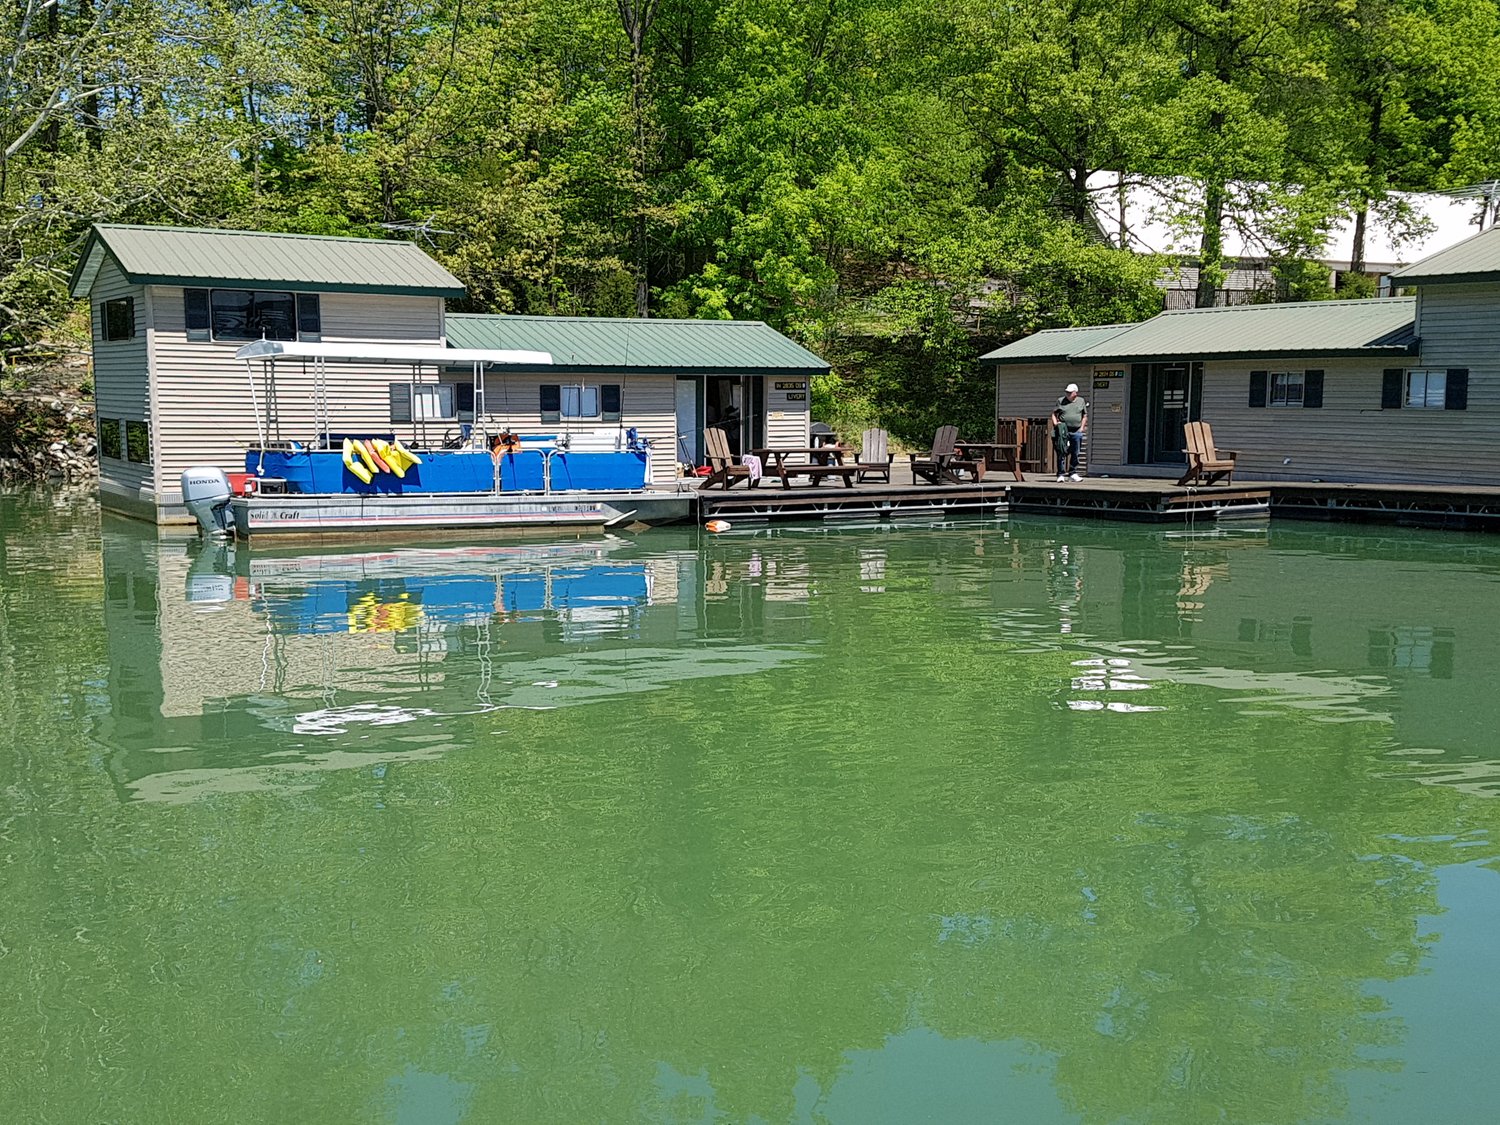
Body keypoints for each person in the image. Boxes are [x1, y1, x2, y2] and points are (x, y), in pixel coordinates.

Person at [1051, 382, 1088, 482]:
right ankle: (1061, 474)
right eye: (1067, 392)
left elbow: (1084, 415)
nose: (1067, 394)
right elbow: (1054, 414)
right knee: (1061, 451)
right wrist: (1055, 424)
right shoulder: (1060, 401)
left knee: (1076, 452)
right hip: (1063, 431)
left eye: (1070, 392)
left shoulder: (1081, 401)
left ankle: (1073, 472)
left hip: (1076, 431)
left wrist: (1082, 427)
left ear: (1075, 393)